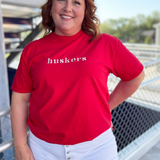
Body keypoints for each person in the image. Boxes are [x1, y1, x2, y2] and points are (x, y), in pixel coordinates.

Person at [10, 0, 145, 160]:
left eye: (76, 2)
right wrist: (20, 146)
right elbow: (20, 100)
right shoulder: (32, 50)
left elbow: (135, 77)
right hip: (43, 149)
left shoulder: (105, 43)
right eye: (61, 0)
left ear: (86, 9)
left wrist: (107, 107)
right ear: (51, 5)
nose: (68, 8)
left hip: (97, 148)